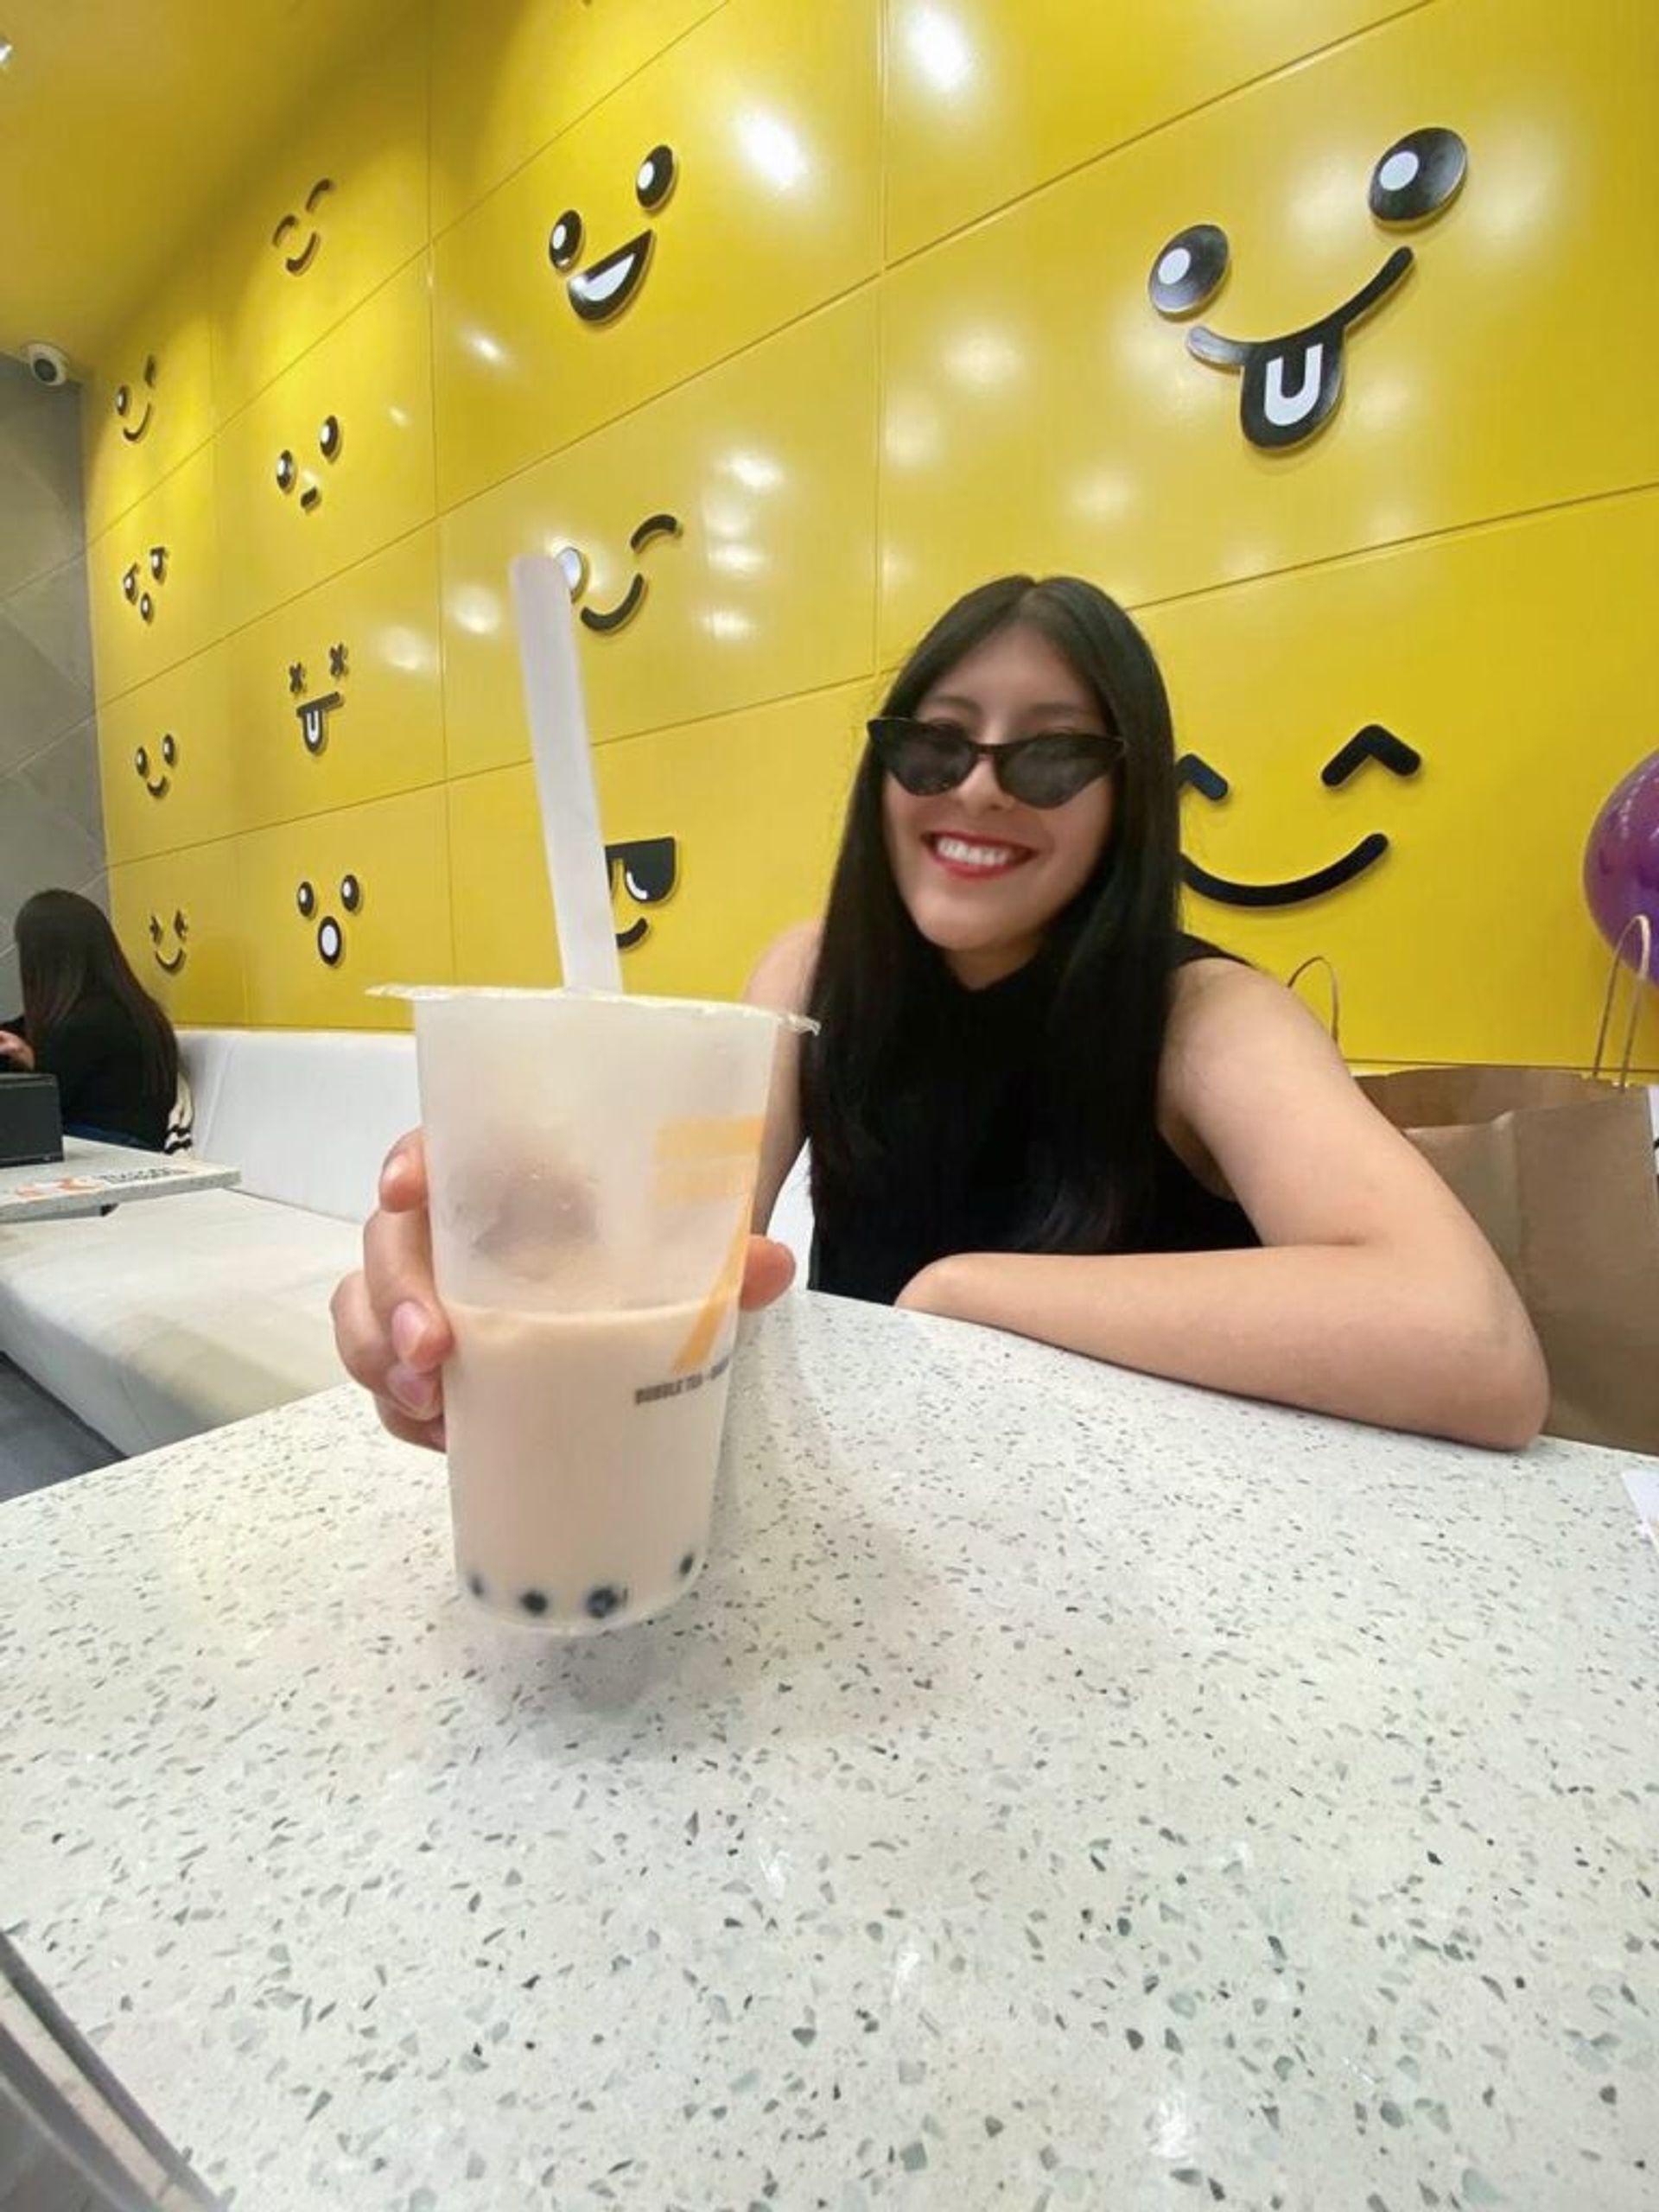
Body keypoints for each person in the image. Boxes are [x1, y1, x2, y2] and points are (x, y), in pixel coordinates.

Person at [333, 575, 1548, 1452]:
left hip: (1159, 1556)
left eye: (1053, 756)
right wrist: (502, 1257)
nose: (979, 787)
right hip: (890, 1519)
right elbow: (679, 1251)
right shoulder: (812, 975)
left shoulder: (1205, 1017)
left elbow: (1477, 1350)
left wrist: (967, 1289)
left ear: (1126, 801)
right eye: (937, 745)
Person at [0, 888, 179, 1151]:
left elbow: (43, 1105)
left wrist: (30, 1060)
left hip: (111, 1148)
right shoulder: (121, 1007)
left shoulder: (88, 1023)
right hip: (117, 1144)